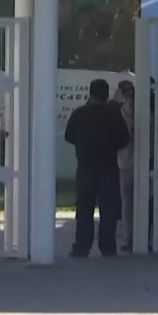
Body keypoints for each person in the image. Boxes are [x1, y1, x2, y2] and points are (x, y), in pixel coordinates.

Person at [64, 79, 131, 258]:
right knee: (109, 210)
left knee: (84, 208)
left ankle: (81, 245)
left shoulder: (80, 114)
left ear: (90, 93)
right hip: (108, 168)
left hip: (85, 167)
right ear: (106, 94)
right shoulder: (113, 115)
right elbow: (124, 139)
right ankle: (107, 246)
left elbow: (69, 136)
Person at [116, 83, 136, 252]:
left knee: (143, 200)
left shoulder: (146, 114)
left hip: (143, 163)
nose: (130, 100)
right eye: (127, 96)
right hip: (125, 164)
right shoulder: (117, 116)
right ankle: (128, 237)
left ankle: (141, 235)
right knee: (127, 202)